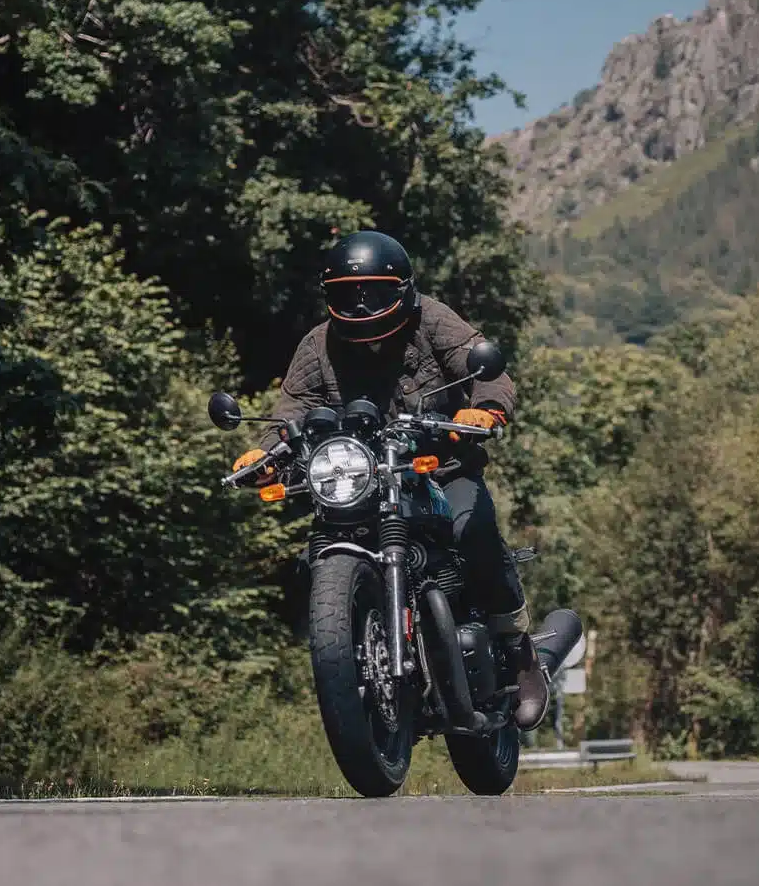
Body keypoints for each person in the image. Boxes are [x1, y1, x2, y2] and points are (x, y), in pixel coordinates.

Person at [230, 229, 549, 730]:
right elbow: (290, 412)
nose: (360, 306)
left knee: (473, 531)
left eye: (374, 293)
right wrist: (264, 454)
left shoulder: (432, 319)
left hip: (439, 467)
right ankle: (354, 653)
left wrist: (485, 410)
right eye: (346, 295)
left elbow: (482, 363)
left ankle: (519, 648)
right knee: (310, 557)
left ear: (402, 289)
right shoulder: (318, 346)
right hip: (359, 478)